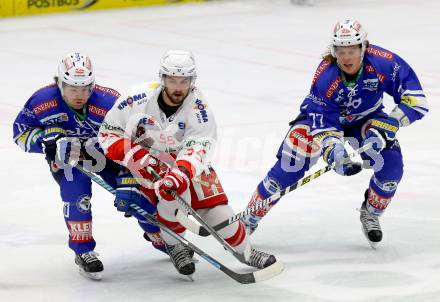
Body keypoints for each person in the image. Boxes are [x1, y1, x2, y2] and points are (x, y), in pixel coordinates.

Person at [241, 19, 428, 248]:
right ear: (334, 50)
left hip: (367, 118)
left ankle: (370, 213)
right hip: (323, 122)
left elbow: (416, 101)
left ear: (363, 47)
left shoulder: (384, 63)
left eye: (351, 51)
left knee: (391, 167)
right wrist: (333, 151)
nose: (346, 57)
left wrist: (387, 127)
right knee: (291, 164)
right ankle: (249, 220)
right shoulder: (326, 75)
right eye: (341, 51)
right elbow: (322, 120)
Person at [98, 49, 280, 277]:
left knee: (219, 214)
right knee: (171, 200)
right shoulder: (138, 98)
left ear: (192, 81)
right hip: (148, 165)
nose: (177, 86)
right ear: (162, 78)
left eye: (183, 80)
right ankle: (175, 246)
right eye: (172, 79)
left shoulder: (199, 108)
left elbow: (199, 146)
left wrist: (180, 172)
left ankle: (245, 251)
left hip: (188, 166)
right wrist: (135, 157)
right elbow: (108, 132)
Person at [12, 52, 122, 280]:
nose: (79, 94)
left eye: (84, 88)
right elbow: (20, 134)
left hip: (104, 154)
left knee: (134, 191)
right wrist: (46, 141)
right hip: (68, 158)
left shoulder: (110, 101)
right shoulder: (43, 101)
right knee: (77, 195)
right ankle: (84, 251)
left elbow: (130, 137)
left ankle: (164, 237)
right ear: (59, 83)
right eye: (72, 88)